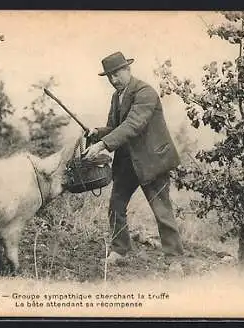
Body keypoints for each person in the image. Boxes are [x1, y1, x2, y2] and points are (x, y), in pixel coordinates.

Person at [83, 51, 184, 264]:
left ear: (128, 69)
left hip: (151, 162)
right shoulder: (116, 96)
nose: (113, 80)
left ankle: (174, 260)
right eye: (109, 77)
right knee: (116, 206)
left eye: (117, 74)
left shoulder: (145, 92)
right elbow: (116, 127)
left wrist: (102, 144)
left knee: (162, 212)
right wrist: (99, 132)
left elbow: (133, 125)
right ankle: (119, 251)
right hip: (127, 162)